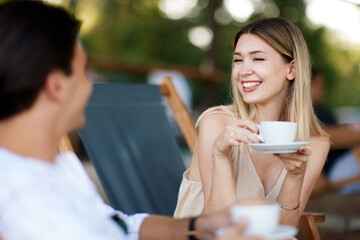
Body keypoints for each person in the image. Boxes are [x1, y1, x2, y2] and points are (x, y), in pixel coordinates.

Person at [0, 1, 263, 240]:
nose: (91, 86)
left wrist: (195, 227)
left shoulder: (56, 166)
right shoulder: (20, 200)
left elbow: (117, 224)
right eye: (84, 72)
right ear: (56, 86)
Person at [173, 17, 330, 227]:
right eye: (238, 60)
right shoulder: (217, 124)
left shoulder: (315, 145)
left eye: (257, 59)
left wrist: (294, 176)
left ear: (291, 70)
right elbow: (220, 227)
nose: (243, 71)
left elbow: (283, 228)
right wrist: (220, 155)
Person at [311, 68, 360, 194]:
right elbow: (327, 136)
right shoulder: (306, 111)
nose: (323, 90)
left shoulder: (319, 109)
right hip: (336, 168)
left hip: (347, 161)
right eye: (319, 85)